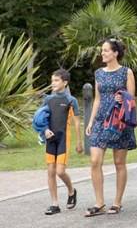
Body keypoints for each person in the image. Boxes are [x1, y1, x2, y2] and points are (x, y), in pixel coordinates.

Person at [85, 38, 137, 217]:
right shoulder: (98, 73)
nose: (103, 53)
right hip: (101, 121)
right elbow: (97, 99)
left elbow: (132, 98)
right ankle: (99, 203)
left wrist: (124, 98)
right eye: (102, 50)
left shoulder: (126, 72)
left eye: (106, 50)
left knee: (119, 162)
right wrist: (91, 121)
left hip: (119, 121)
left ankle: (117, 202)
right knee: (94, 161)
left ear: (115, 53)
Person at [42, 69, 82, 215]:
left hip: (64, 139)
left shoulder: (71, 101)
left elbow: (77, 122)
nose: (53, 83)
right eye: (52, 80)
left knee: (60, 171)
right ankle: (54, 204)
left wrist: (79, 142)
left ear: (65, 82)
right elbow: (42, 118)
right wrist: (45, 130)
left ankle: (71, 190)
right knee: (50, 171)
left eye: (56, 80)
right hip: (50, 139)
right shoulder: (48, 99)